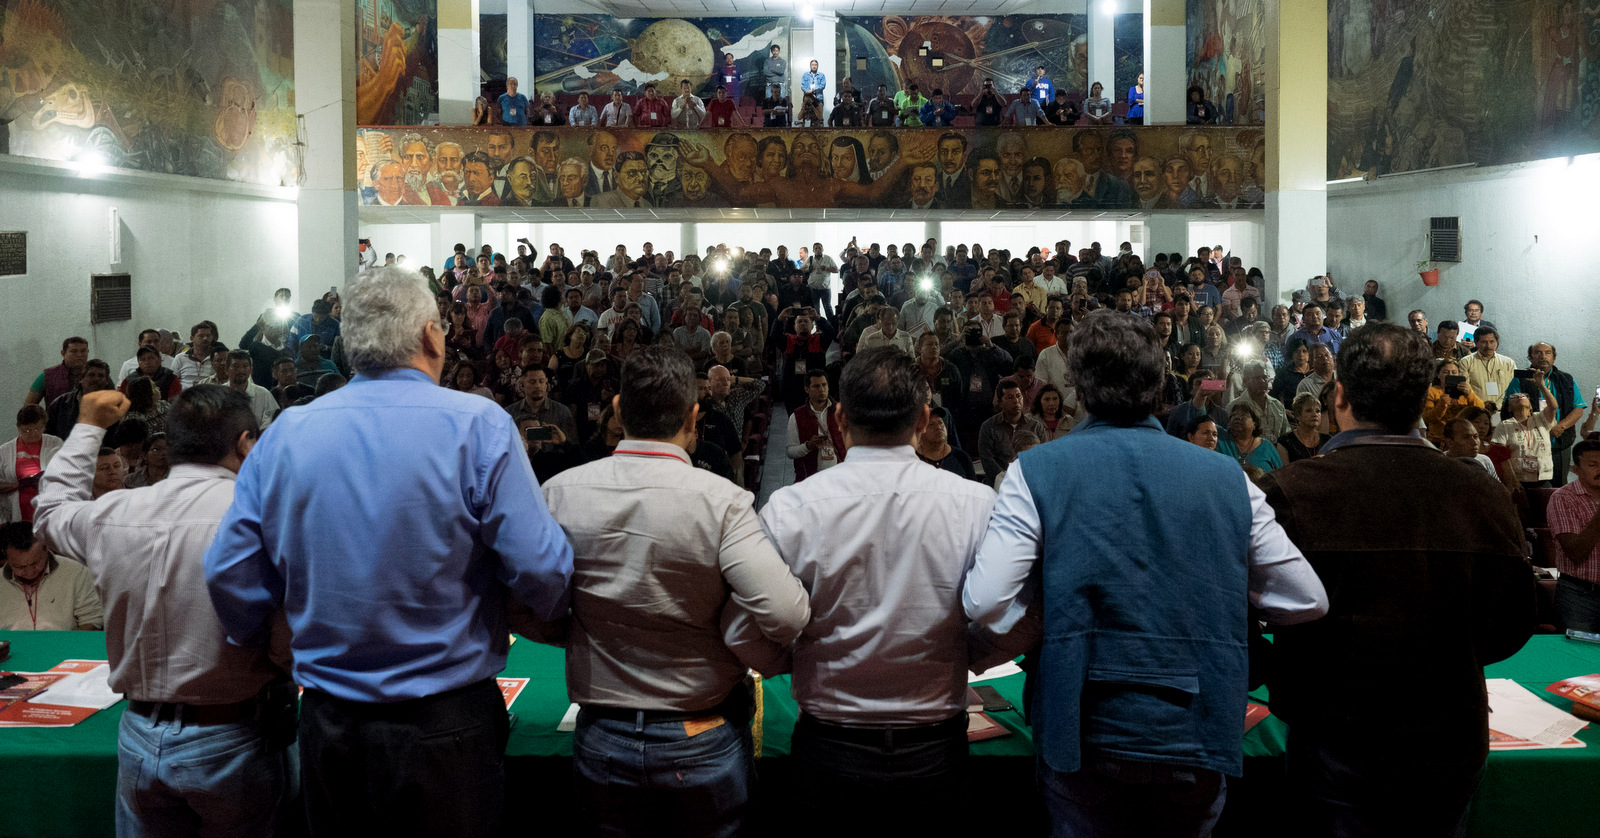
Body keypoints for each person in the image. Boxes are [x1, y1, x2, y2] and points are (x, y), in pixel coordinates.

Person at [203, 267, 574, 837]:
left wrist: (263, 632)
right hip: (447, 723)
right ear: (431, 335)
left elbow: (227, 570)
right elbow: (544, 571)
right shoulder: (478, 426)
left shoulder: (286, 433)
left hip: (330, 720)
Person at [965, 311, 1328, 836]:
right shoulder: (1228, 477)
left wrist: (1060, 604)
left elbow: (987, 601)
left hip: (1083, 725)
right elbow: (1305, 599)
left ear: (1077, 387)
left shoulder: (1037, 470)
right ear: (1161, 385)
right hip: (1197, 727)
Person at [1259, 323, 1535, 837]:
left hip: (1337, 737)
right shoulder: (1481, 494)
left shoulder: (1293, 492)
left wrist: (1295, 674)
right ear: (1421, 402)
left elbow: (1243, 613)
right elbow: (1513, 624)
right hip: (1450, 737)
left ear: (1339, 395)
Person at [543, 345, 810, 836]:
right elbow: (786, 614)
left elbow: (524, 607)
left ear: (618, 410)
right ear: (694, 415)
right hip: (699, 731)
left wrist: (584, 629)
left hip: (603, 730)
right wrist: (727, 621)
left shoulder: (559, 493)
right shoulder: (722, 501)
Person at [734, 347, 995, 834]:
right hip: (934, 747)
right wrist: (973, 652)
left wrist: (791, 660)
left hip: (831, 744)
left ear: (839, 416)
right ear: (922, 418)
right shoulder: (976, 503)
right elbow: (1020, 612)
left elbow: (739, 628)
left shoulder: (791, 508)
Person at [33, 385, 296, 836]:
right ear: (245, 443)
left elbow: (50, 511)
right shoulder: (264, 518)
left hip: (139, 731)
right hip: (235, 735)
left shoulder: (113, 514)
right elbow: (286, 643)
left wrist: (89, 426)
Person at [1504, 342, 1587, 487]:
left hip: (1560, 443)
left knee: (1559, 486)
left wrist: (1559, 427)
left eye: (1547, 353)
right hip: (1530, 444)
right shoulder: (1520, 379)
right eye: (1538, 353)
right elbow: (1511, 409)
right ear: (1530, 357)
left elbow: (1578, 409)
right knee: (1531, 486)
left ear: (1554, 358)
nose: (1543, 356)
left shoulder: (1566, 379)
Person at [0, 521, 102, 630]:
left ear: (46, 547)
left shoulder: (77, 572)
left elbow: (92, 619)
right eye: (19, 567)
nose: (29, 571)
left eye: (36, 563)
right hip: (9, 645)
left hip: (64, 644)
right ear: (6, 555)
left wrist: (68, 644)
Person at [1549, 434, 1600, 631]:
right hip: (1579, 595)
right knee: (1578, 657)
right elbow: (1576, 552)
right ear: (1575, 469)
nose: (1599, 469)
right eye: (1593, 464)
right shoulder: (1562, 498)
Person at [1492, 382, 1560, 489]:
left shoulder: (1541, 419)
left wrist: (1541, 386)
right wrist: (1512, 479)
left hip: (1543, 478)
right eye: (1514, 397)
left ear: (1531, 406)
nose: (1519, 396)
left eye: (1524, 396)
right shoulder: (1504, 426)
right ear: (1509, 407)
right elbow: (1500, 455)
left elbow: (1553, 406)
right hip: (1517, 481)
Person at [1, 405, 61, 525]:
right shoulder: (5, 451)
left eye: (38, 429)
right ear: (18, 427)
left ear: (45, 425)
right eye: (27, 430)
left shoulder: (55, 444)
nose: (33, 434)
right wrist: (18, 485)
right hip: (16, 514)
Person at [979, 379, 1048, 479]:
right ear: (1000, 402)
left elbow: (1043, 457)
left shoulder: (1036, 426)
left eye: (1018, 396)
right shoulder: (989, 427)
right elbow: (987, 459)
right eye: (1010, 397)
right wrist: (1005, 477)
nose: (1016, 401)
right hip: (1000, 480)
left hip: (1030, 479)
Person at [787, 369, 845, 482]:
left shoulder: (841, 412)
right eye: (816, 386)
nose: (822, 390)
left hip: (839, 477)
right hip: (809, 478)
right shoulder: (797, 416)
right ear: (807, 389)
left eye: (824, 385)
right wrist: (808, 446)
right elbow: (790, 451)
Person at [1458, 326, 1514, 410]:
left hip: (1503, 411)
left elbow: (1513, 389)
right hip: (1476, 410)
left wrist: (1498, 406)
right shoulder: (1465, 362)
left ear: (1497, 343)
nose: (1488, 346)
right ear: (1476, 343)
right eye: (1484, 342)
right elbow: (1464, 390)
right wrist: (1481, 404)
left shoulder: (1508, 363)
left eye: (1492, 342)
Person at [1217, 402, 1284, 472]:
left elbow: (1281, 475)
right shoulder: (1221, 436)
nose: (1237, 418)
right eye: (1234, 415)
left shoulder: (1267, 447)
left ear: (1255, 423)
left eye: (1244, 416)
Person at [25, 336, 89, 407]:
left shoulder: (98, 374)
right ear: (63, 353)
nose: (79, 355)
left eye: (83, 351)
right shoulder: (47, 376)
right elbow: (28, 408)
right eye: (74, 351)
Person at [1281, 393, 1330, 463]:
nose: (1315, 414)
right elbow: (1284, 471)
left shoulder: (1327, 440)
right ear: (1298, 415)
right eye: (1309, 411)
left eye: (1318, 411)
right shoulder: (1285, 441)